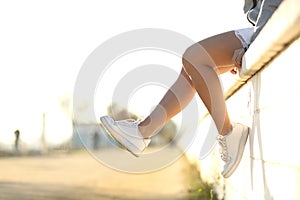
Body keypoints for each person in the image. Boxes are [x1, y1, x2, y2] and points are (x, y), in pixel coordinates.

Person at [100, 0, 282, 178]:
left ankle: (228, 132)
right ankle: (142, 132)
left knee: (194, 57)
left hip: (278, 21)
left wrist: (251, 46)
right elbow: (254, 11)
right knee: (191, 68)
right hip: (267, 23)